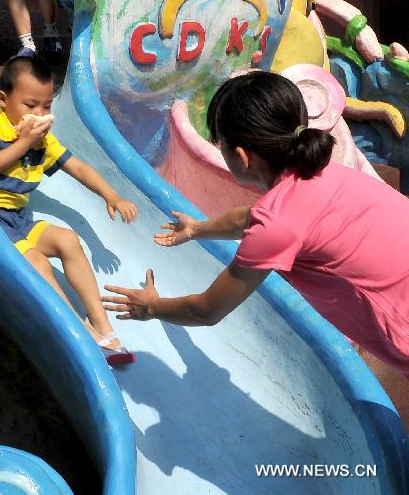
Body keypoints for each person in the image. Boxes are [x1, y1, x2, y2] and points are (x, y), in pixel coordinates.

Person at [103, 71, 409, 378]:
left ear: (240, 156)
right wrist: (197, 228)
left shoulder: (280, 222)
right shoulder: (326, 174)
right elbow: (251, 218)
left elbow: (207, 309)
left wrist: (151, 306)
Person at [0, 54, 137, 365]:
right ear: (4, 99)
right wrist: (23, 143)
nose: (40, 113)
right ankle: (78, 331)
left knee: (68, 239)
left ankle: (103, 328)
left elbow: (78, 167)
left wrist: (112, 195)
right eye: (30, 105)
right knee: (38, 262)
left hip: (18, 219)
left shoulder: (43, 141)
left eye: (47, 106)